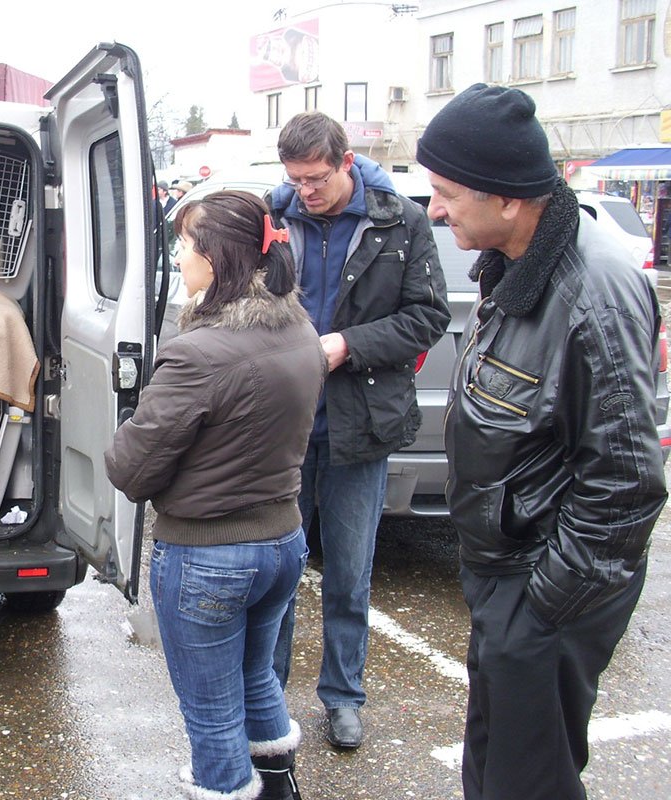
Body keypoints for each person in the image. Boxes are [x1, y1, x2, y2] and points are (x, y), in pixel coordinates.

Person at [417, 83, 667, 800]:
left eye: (445, 193)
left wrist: (539, 611)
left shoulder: (593, 290)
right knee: (494, 769)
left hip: (545, 593)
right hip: (508, 576)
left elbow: (625, 484)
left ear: (508, 198)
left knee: (529, 784)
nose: (434, 209)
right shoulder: (518, 265)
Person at [106, 190, 326, 800]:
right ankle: (281, 789)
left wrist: (128, 427)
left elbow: (130, 469)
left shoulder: (197, 354)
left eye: (184, 246)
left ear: (218, 257)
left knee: (211, 717)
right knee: (257, 678)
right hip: (281, 544)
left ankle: (229, 788)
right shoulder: (301, 329)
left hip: (208, 557)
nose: (178, 260)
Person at [265, 111, 450, 750]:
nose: (304, 192)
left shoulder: (402, 222)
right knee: (277, 571)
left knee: (349, 573)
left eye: (315, 179)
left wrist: (349, 345)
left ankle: (343, 698)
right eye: (294, 179)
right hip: (284, 427)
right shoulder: (275, 214)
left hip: (359, 425)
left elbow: (428, 316)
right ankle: (269, 697)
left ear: (346, 162)